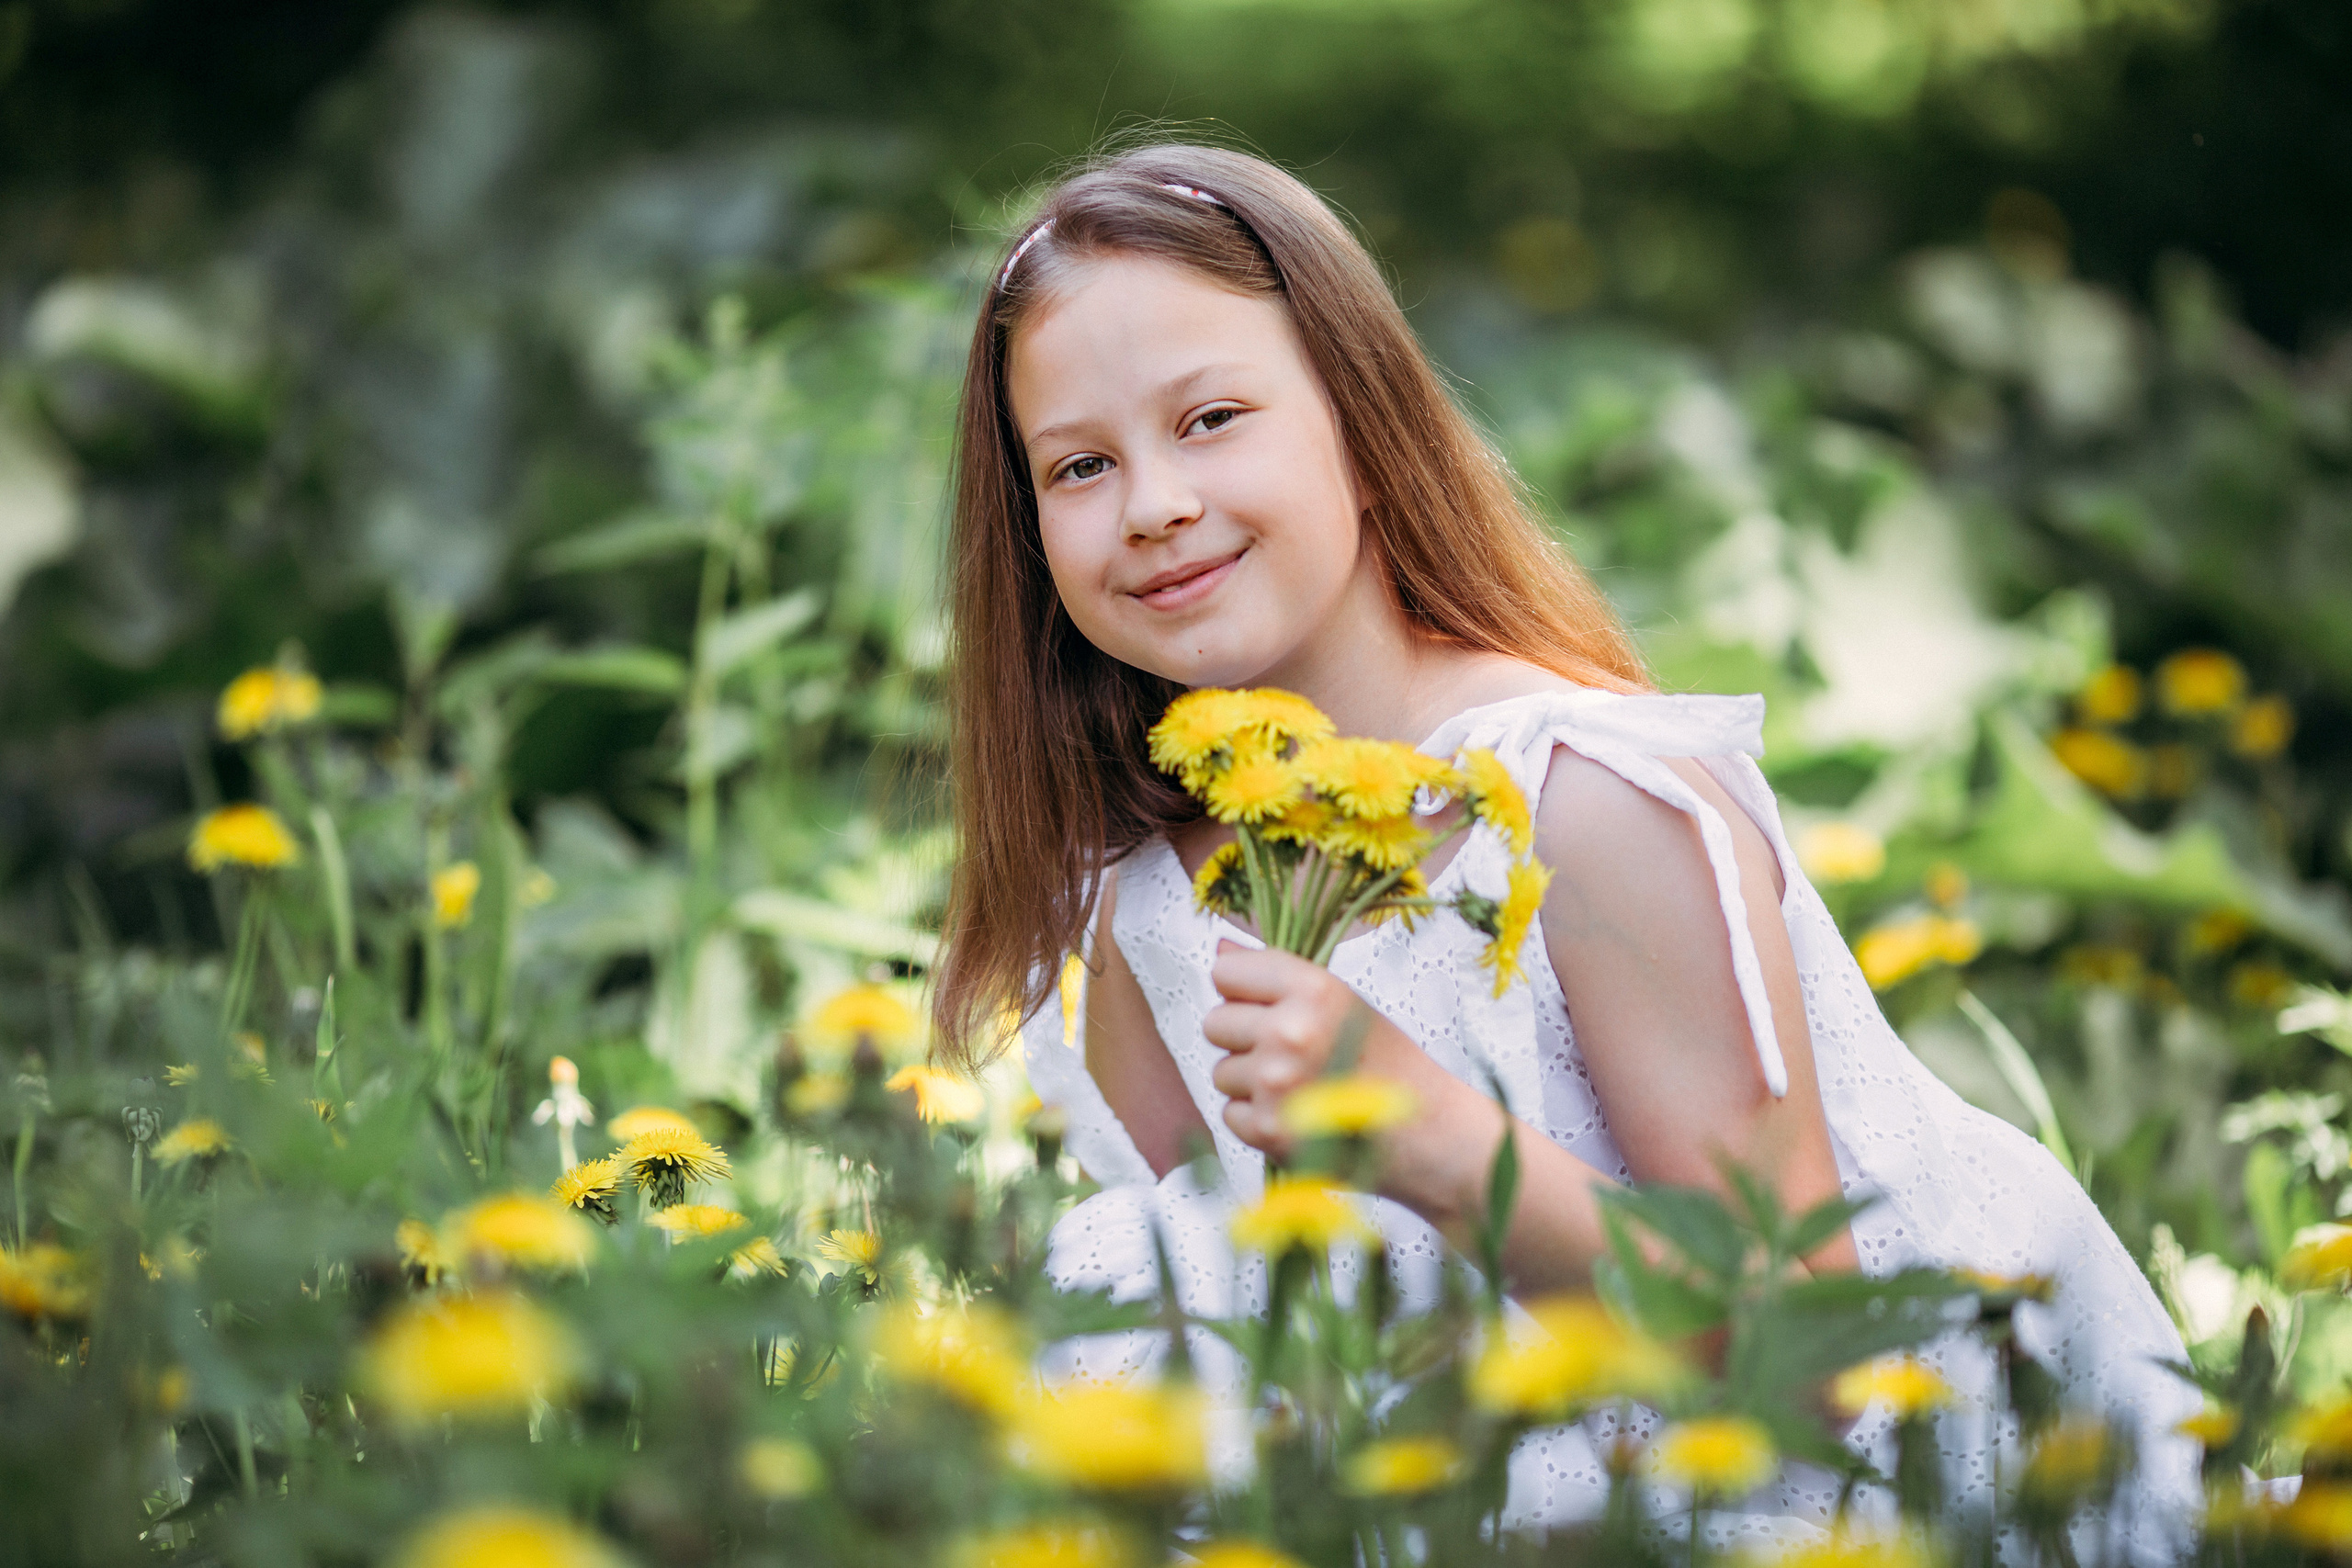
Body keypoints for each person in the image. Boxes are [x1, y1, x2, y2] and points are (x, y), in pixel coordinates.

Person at [931, 141, 2196, 1545]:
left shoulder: (1588, 802)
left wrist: (1430, 1135)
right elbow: (1224, 1326)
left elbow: (1812, 1353)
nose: (1154, 501)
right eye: (1081, 464)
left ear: (1364, 424)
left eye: (1215, 416)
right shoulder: (1149, 908)